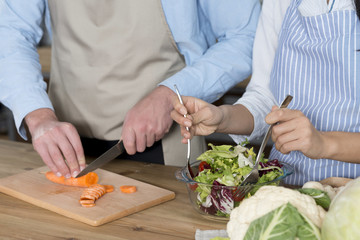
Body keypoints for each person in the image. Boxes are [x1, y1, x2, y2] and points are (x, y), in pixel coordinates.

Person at [0, 1, 261, 179]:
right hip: (62, 141)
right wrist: (38, 115)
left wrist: (170, 95)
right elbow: (10, 31)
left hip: (167, 144)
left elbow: (245, 37)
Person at [171, 0, 360, 186]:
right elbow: (266, 97)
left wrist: (325, 144)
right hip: (287, 189)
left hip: (351, 197)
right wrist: (222, 117)